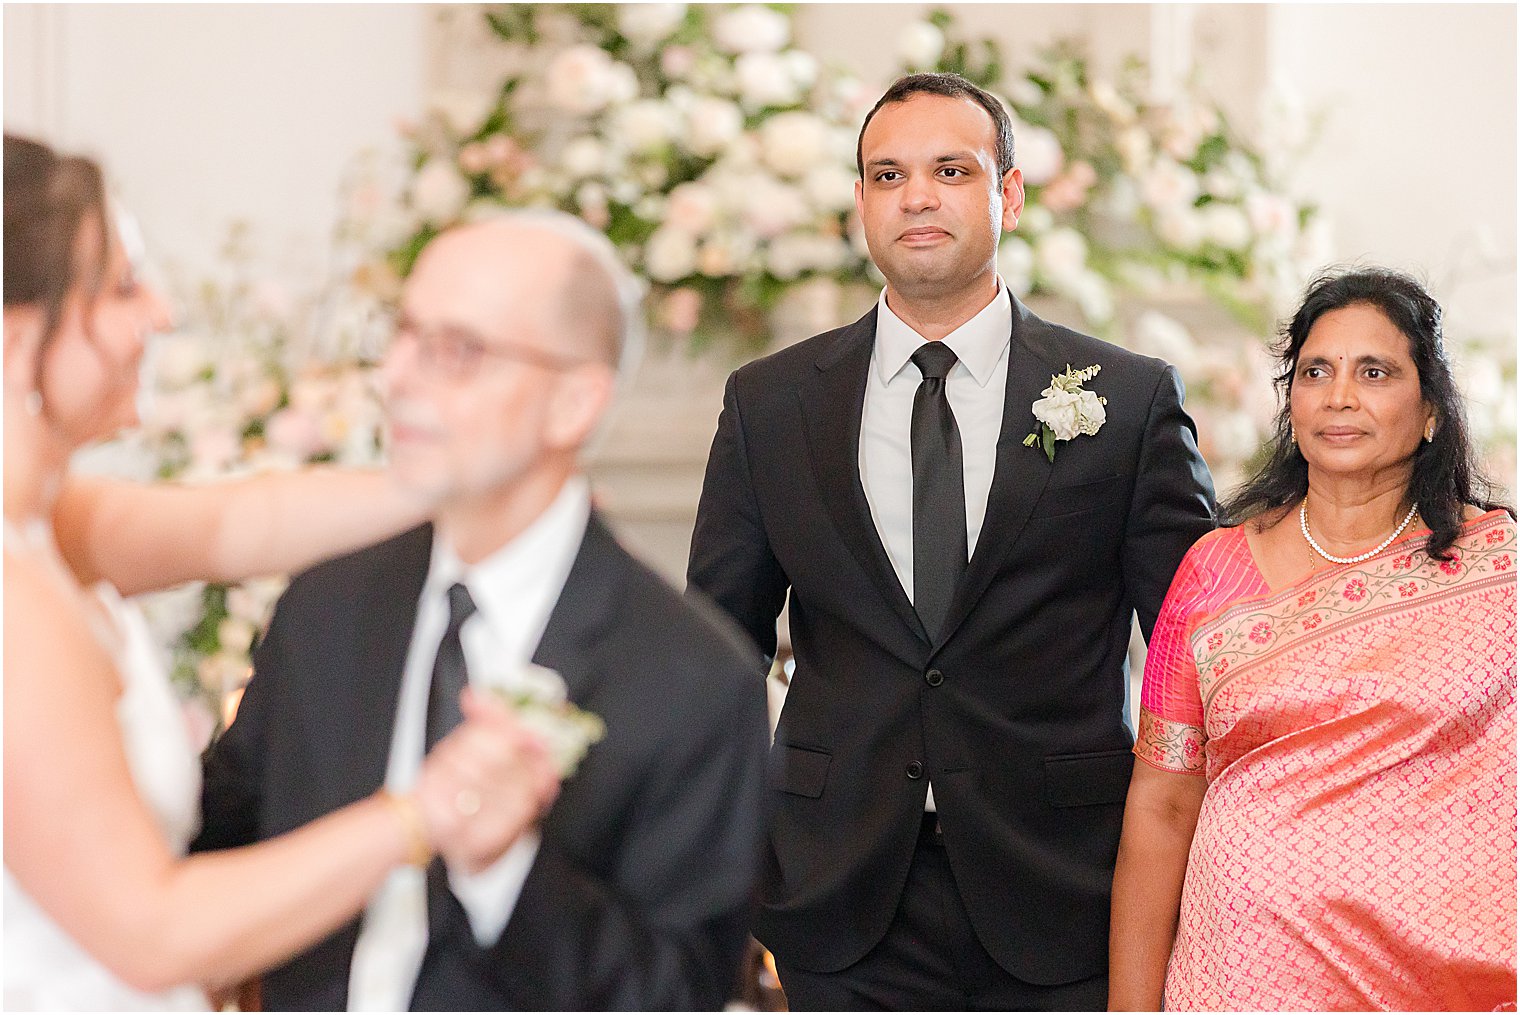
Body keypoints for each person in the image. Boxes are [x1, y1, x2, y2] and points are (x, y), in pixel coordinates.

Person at [687, 72, 1217, 1010]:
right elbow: (714, 647)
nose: (917, 196)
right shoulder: (770, 402)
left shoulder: (1128, 400)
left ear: (1007, 195)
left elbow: (1199, 650)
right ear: (860, 204)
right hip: (836, 894)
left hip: (1063, 887)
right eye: (887, 176)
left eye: (950, 170)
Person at [3, 134, 555, 1010]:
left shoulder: (48, 524)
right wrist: (420, 813)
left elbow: (239, 522)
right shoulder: (16, 608)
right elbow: (151, 930)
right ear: (19, 332)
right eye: (121, 287)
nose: (163, 312)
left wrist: (485, 469)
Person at [194, 210, 773, 1010]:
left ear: (573, 402)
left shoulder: (694, 678)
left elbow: (675, 993)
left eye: (457, 352)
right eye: (401, 334)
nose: (396, 376)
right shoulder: (326, 608)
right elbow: (213, 849)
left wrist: (507, 871)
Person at [1108, 267, 1517, 1011]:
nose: (1340, 396)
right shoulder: (1214, 571)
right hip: (1243, 971)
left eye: (1375, 372)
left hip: (1440, 982)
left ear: (1430, 409)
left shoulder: (1497, 572)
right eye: (1315, 371)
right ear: (1290, 402)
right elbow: (1163, 806)